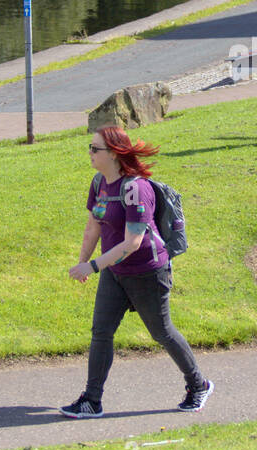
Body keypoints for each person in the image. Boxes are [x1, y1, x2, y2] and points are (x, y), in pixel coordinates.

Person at [60, 126, 213, 418]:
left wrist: (92, 267)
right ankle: (92, 400)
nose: (90, 154)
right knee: (101, 333)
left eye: (95, 149)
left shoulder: (135, 189)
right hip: (114, 271)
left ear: (115, 154)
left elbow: (133, 242)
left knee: (162, 332)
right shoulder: (99, 184)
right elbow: (93, 226)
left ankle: (199, 385)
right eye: (89, 148)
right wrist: (82, 263)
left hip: (147, 271)